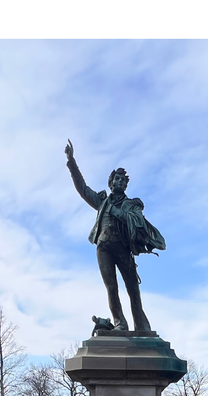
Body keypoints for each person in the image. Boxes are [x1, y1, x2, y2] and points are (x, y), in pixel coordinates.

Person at [64, 139, 165, 333]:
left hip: (123, 248)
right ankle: (120, 323)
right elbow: (82, 189)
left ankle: (141, 326)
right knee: (111, 287)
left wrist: (119, 213)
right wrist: (71, 161)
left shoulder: (132, 204)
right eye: (116, 179)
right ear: (111, 183)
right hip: (103, 247)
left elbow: (137, 221)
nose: (119, 182)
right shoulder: (102, 202)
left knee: (133, 289)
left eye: (123, 180)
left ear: (125, 185)